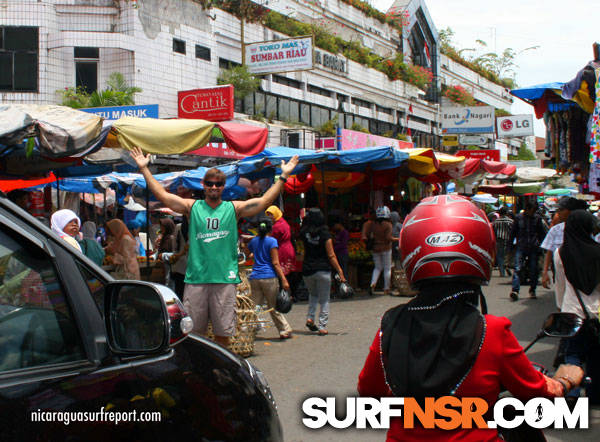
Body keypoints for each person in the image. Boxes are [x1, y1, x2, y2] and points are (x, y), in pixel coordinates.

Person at [357, 195, 584, 441]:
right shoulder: (492, 331)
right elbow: (537, 393)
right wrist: (563, 381)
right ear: (483, 249)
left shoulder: (391, 324)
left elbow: (369, 391)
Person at [130, 146, 299, 348]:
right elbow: (163, 196)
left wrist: (283, 177)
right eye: (210, 184)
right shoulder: (192, 207)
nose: (213, 187)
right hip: (196, 281)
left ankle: (220, 374)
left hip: (224, 281)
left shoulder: (233, 208)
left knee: (223, 338)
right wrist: (144, 169)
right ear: (203, 185)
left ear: (223, 186)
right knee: (194, 337)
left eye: (218, 184)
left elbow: (263, 201)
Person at [554, 210, 600, 404]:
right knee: (596, 356)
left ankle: (571, 394)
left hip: (571, 311)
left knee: (572, 353)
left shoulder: (561, 252)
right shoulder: (598, 251)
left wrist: (561, 309)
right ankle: (595, 394)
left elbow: (560, 286)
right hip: (596, 313)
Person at [298, 208, 346, 336]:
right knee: (324, 299)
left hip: (308, 269)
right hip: (323, 269)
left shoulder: (304, 232)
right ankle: (322, 326)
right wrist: (340, 271)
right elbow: (331, 255)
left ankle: (310, 317)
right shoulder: (325, 234)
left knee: (313, 295)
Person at [246, 218, 293, 339]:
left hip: (255, 277)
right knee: (273, 306)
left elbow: (247, 253)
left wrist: (255, 254)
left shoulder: (254, 241)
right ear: (270, 229)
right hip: (269, 277)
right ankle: (284, 330)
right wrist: (284, 279)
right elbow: (276, 263)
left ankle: (248, 331)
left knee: (255, 307)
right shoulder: (272, 242)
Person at [541, 197, 585, 296]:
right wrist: (545, 272)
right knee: (561, 300)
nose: (558, 213)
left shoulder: (584, 229)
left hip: (579, 274)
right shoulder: (555, 230)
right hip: (560, 273)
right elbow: (549, 252)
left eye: (561, 210)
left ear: (570, 211)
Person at [509, 201, 547, 300]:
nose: (533, 213)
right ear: (527, 209)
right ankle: (515, 290)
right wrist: (510, 246)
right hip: (521, 246)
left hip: (534, 247)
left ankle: (532, 290)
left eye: (534, 211)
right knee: (517, 268)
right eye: (532, 210)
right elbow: (513, 232)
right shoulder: (518, 218)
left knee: (534, 269)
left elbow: (541, 233)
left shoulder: (537, 219)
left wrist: (544, 247)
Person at [362, 206, 393, 296]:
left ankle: (373, 284)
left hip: (375, 248)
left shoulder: (373, 224)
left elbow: (366, 235)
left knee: (377, 268)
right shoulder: (388, 225)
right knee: (387, 268)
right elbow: (388, 238)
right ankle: (386, 288)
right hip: (386, 248)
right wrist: (397, 239)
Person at [265, 205, 296, 276]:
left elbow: (271, 239)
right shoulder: (283, 221)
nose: (269, 217)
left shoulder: (277, 226)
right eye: (268, 215)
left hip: (282, 250)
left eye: (271, 215)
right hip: (289, 248)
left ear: (276, 213)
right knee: (288, 273)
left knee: (282, 273)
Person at [491, 206, 513, 277]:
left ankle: (502, 272)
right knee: (507, 255)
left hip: (499, 240)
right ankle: (506, 266)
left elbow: (493, 231)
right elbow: (513, 231)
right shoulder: (510, 221)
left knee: (500, 256)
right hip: (508, 240)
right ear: (506, 213)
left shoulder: (496, 222)